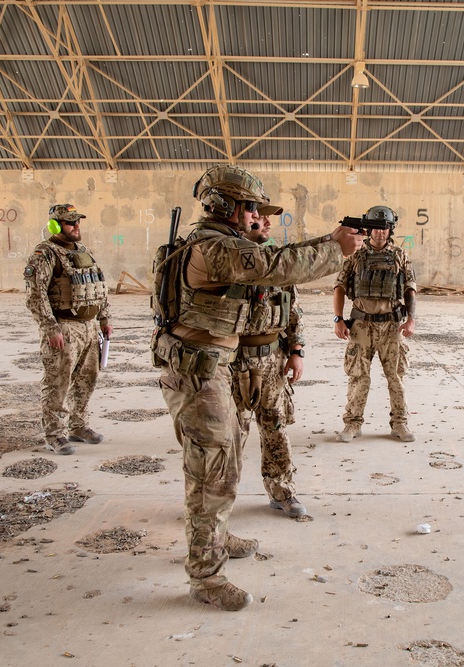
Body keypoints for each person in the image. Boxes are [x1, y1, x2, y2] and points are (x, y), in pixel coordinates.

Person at [151, 164, 362, 612]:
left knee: (222, 462)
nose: (255, 216)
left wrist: (327, 243)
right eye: (249, 207)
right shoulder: (213, 246)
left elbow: (272, 267)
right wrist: (333, 248)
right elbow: (273, 264)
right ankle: (206, 577)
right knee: (213, 473)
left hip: (211, 366)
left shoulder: (218, 244)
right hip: (199, 370)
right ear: (225, 206)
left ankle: (217, 538)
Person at [231, 208, 309, 519]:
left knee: (275, 427)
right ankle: (218, 501)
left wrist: (296, 350)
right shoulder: (226, 258)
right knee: (230, 433)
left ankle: (282, 491)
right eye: (261, 216)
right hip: (231, 361)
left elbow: (292, 308)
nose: (267, 222)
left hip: (272, 359)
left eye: (268, 218)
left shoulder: (277, 259)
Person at [23, 203, 113, 456]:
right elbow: (35, 296)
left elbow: (99, 287)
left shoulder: (84, 251)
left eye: (78, 221)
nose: (76, 226)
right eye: (70, 222)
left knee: (87, 380)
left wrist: (104, 319)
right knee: (58, 382)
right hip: (64, 328)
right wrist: (50, 329)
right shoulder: (45, 254)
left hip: (88, 327)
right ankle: (54, 434)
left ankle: (78, 426)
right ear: (55, 225)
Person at [333, 205, 417, 443]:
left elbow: (410, 289)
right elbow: (339, 287)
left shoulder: (400, 255)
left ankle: (400, 423)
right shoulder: (356, 255)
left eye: (385, 228)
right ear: (369, 229)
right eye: (376, 228)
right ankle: (352, 424)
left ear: (391, 230)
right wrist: (338, 319)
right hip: (361, 326)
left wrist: (411, 319)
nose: (380, 233)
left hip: (391, 326)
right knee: (359, 377)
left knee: (396, 377)